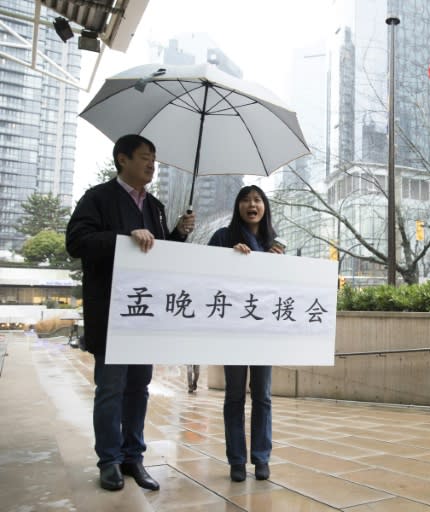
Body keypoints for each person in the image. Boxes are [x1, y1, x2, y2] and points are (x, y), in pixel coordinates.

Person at [66, 134, 196, 491]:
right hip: (111, 311)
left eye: (154, 158)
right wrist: (124, 237)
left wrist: (177, 235)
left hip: (143, 315)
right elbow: (76, 242)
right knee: (110, 388)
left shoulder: (154, 205)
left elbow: (157, 254)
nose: (152, 164)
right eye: (144, 157)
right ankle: (108, 460)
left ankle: (132, 458)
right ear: (122, 159)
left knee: (139, 388)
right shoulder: (98, 198)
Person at [208, 185, 283, 482]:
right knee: (235, 396)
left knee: (263, 396)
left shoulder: (275, 243)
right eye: (245, 200)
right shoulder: (223, 238)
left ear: (264, 207)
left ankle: (262, 458)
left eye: (257, 200)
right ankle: (237, 461)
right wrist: (230, 258)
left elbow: (282, 288)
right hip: (233, 331)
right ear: (237, 206)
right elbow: (204, 274)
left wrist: (281, 265)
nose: (252, 204)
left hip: (263, 332)